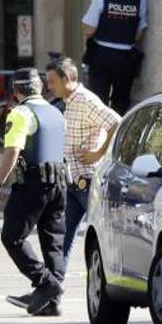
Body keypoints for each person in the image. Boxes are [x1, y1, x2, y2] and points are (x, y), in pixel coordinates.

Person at [0, 68, 67, 317]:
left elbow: (12, 151)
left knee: (12, 237)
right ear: (41, 87)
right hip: (59, 183)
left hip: (34, 184)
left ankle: (47, 284)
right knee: (53, 241)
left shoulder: (21, 113)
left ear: (15, 92)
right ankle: (51, 302)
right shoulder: (56, 112)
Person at [45, 56, 121, 271]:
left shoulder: (86, 101)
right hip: (72, 183)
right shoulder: (69, 102)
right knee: (60, 240)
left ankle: (107, 291)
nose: (49, 87)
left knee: (102, 241)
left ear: (67, 78)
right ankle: (51, 293)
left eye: (52, 81)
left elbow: (117, 122)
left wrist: (98, 153)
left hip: (88, 183)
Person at [81, 0, 147, 114]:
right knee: (121, 102)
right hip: (126, 58)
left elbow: (89, 30)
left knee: (97, 101)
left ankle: (101, 134)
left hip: (101, 56)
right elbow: (139, 33)